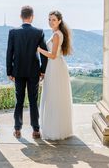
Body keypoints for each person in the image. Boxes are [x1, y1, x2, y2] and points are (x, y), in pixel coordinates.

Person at [6, 5, 48, 139]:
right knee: (33, 101)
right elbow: (44, 54)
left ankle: (17, 129)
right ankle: (36, 130)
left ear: (21, 16)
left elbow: (9, 53)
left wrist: (9, 71)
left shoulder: (13, 32)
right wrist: (43, 70)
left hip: (17, 71)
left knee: (19, 101)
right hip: (33, 72)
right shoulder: (39, 32)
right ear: (32, 17)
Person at [37, 10, 73, 140]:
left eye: (53, 20)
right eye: (49, 19)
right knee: (55, 96)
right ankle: (56, 127)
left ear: (59, 21)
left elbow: (52, 55)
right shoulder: (56, 33)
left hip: (55, 66)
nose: (51, 22)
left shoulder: (57, 35)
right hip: (55, 66)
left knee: (53, 96)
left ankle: (54, 130)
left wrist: (39, 50)